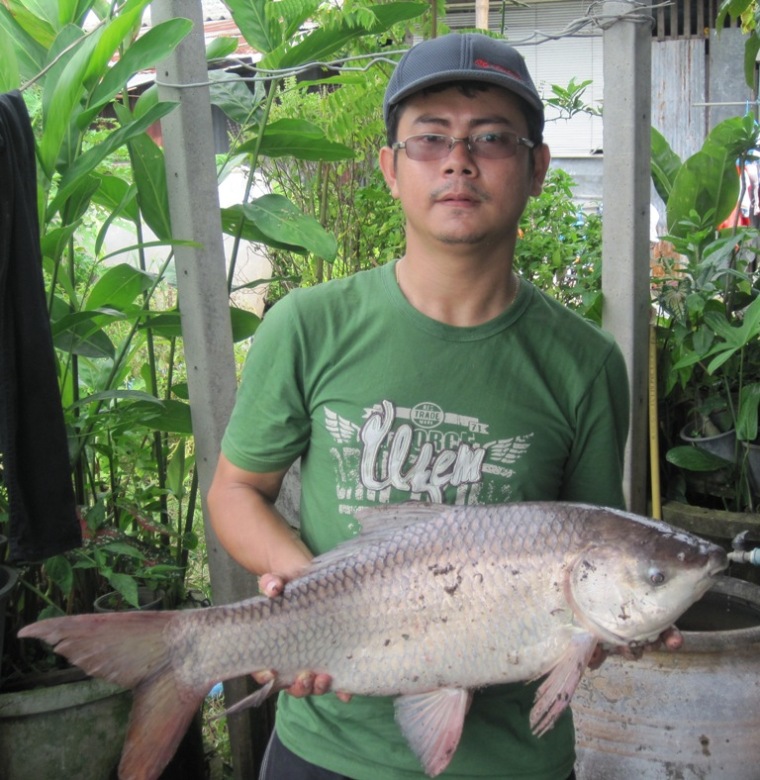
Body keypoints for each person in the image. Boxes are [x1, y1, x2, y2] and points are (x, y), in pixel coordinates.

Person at [208, 32, 676, 780]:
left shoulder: (583, 362)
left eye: (492, 138)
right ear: (390, 168)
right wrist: (308, 598)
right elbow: (236, 491)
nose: (459, 160)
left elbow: (593, 552)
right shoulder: (308, 325)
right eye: (431, 140)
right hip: (328, 747)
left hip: (513, 763)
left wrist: (628, 621)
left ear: (537, 170)